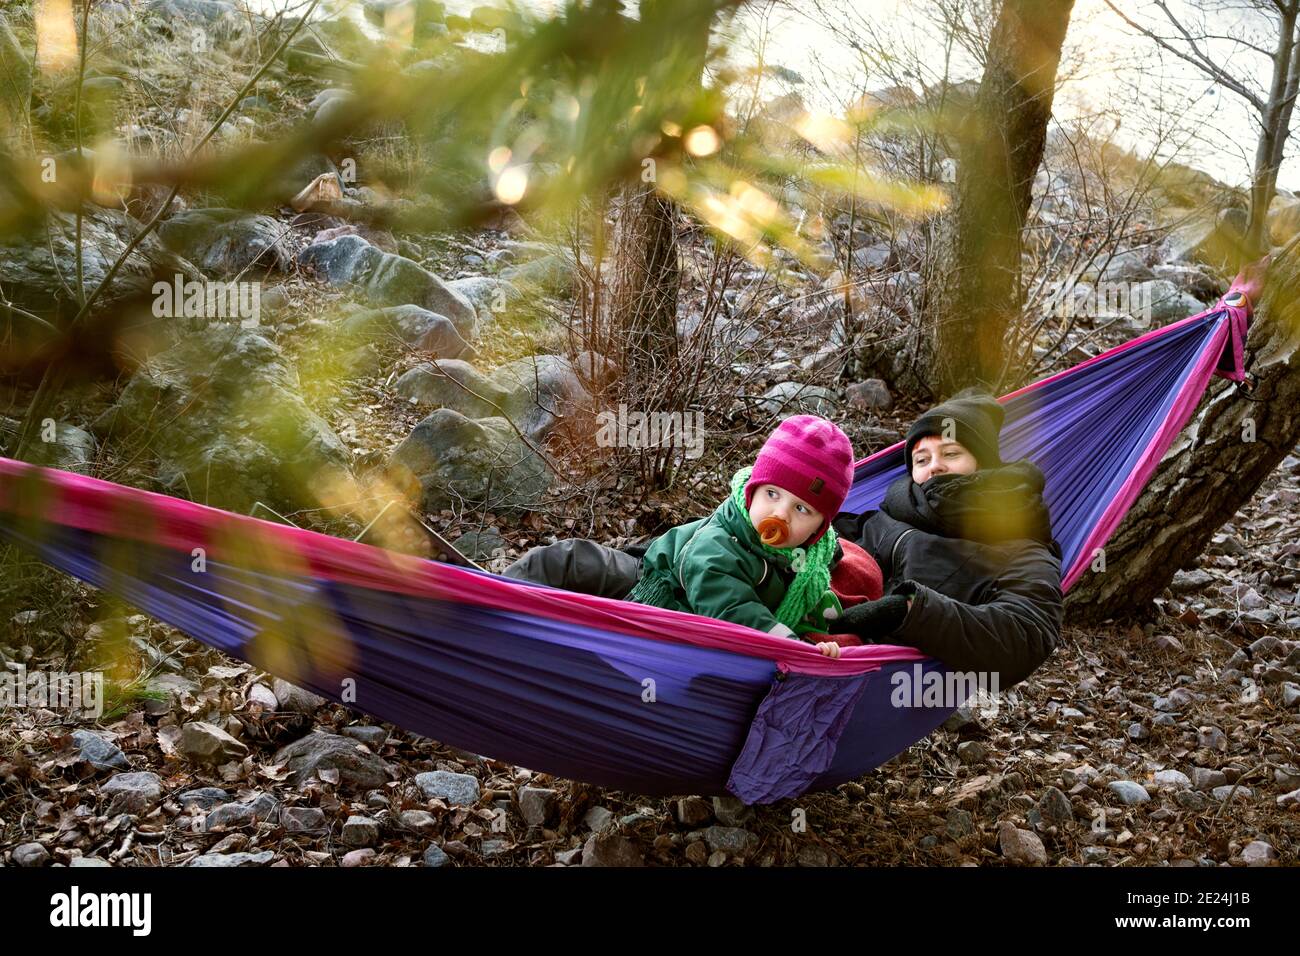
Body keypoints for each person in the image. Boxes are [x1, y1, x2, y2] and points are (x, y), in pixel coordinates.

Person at [504, 415, 881, 657]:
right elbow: (735, 613)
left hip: (681, 620)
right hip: (655, 587)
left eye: (802, 509)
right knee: (569, 559)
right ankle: (494, 598)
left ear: (819, 528)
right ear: (752, 491)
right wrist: (796, 650)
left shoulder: (808, 561)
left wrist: (826, 645)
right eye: (772, 494)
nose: (779, 513)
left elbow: (814, 606)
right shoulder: (721, 546)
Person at [829, 387, 1064, 688]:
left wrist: (910, 611)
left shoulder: (1020, 545)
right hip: (807, 646)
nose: (935, 466)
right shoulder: (886, 515)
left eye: (951, 453)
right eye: (921, 460)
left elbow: (1025, 634)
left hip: (888, 684)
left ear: (984, 464)